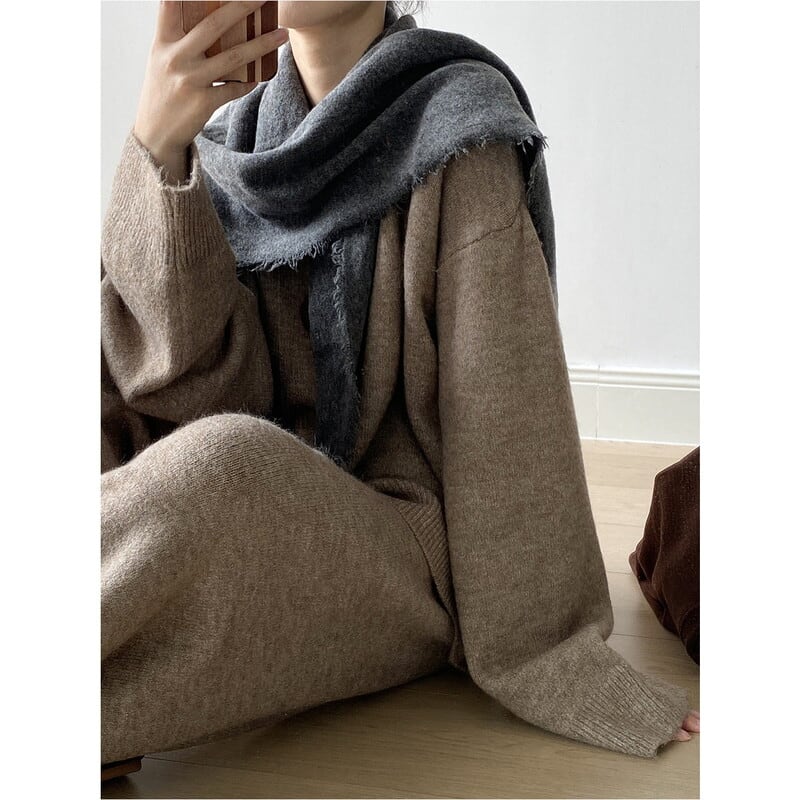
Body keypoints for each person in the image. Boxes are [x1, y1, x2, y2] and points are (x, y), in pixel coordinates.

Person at [101, 0, 699, 776]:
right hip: (264, 506)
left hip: (396, 541)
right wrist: (159, 149)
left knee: (224, 466)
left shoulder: (460, 126)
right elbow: (190, 391)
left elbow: (506, 419)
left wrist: (554, 650)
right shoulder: (231, 139)